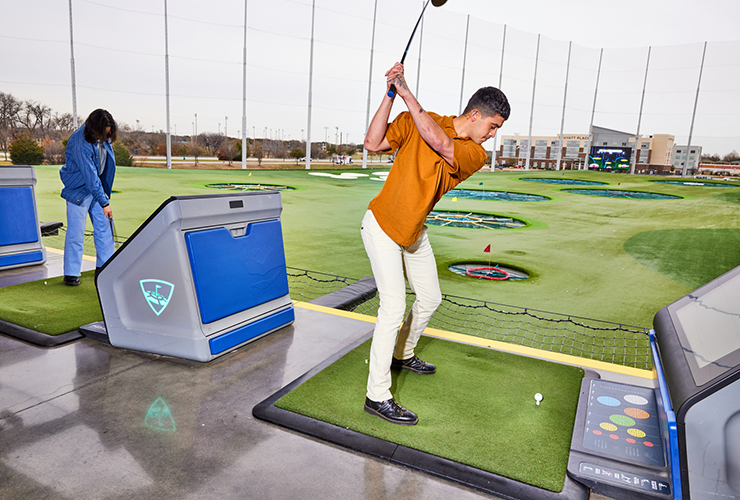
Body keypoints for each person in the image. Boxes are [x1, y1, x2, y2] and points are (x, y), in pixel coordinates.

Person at [361, 62, 510, 425]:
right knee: (393, 307)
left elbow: (441, 143)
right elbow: (373, 142)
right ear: (475, 114)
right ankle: (376, 395)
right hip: (382, 225)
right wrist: (391, 93)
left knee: (431, 298)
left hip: (413, 232)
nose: (492, 135)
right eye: (492, 126)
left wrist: (408, 93)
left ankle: (403, 353)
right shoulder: (415, 120)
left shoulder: (476, 154)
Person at [60, 109, 118, 286]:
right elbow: (90, 175)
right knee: (76, 232)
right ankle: (71, 273)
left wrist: (103, 195)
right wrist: (105, 202)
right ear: (95, 128)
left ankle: (105, 267)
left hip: (97, 188)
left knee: (104, 229)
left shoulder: (102, 137)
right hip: (78, 190)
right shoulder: (79, 142)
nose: (107, 137)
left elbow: (105, 168)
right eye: (105, 132)